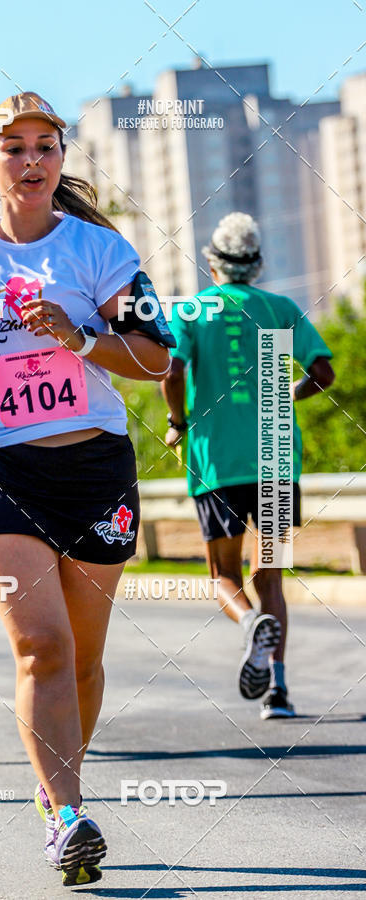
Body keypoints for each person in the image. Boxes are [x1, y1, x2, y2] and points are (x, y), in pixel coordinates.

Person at [0, 91, 172, 887]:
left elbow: (156, 357)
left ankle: (56, 790)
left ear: (61, 159)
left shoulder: (100, 252)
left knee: (83, 659)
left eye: (44, 146)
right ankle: (66, 817)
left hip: (92, 470)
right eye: (12, 147)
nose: (30, 160)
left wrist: (84, 337)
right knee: (42, 645)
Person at [162, 212, 335, 720]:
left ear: (212, 261)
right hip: (278, 456)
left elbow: (171, 371)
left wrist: (179, 420)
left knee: (223, 573)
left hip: (217, 460)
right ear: (256, 265)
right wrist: (285, 396)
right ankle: (277, 690)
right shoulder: (281, 308)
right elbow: (322, 373)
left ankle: (247, 626)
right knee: (273, 576)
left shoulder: (194, 310)